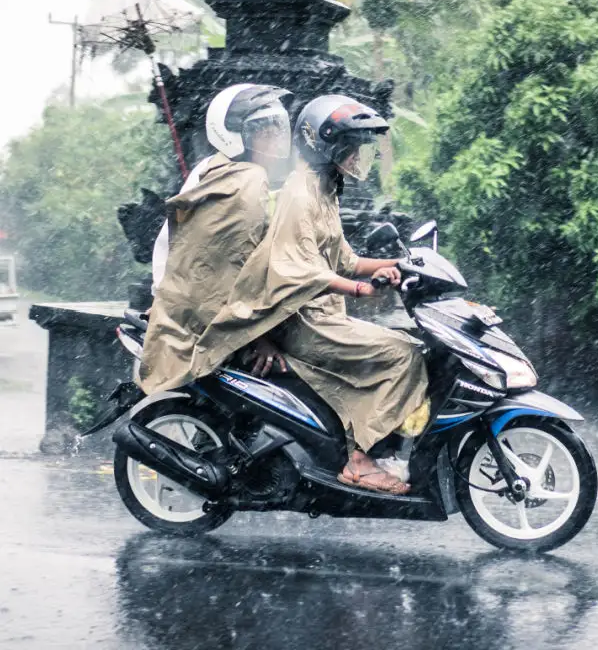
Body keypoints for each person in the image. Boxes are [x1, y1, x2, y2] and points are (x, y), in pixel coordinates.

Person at [185, 95, 430, 496]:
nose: (357, 157)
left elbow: (344, 258)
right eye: (351, 148)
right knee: (402, 354)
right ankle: (360, 459)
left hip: (322, 312)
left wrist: (399, 266)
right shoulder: (300, 194)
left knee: (403, 346)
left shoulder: (323, 187)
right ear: (324, 144)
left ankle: (381, 446)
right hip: (303, 320)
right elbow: (297, 268)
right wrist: (359, 289)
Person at [138, 83, 292, 395]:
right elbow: (226, 272)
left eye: (278, 128)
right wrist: (257, 337)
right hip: (206, 316)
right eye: (264, 130)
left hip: (183, 301)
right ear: (235, 135)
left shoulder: (223, 170)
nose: (276, 139)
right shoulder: (244, 182)